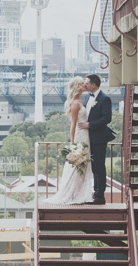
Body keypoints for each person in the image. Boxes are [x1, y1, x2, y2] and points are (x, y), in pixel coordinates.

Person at [46, 76, 94, 205]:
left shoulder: (79, 101)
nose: (85, 84)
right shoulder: (75, 103)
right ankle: (72, 194)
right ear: (78, 87)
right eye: (82, 83)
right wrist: (72, 143)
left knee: (83, 166)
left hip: (85, 135)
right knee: (78, 166)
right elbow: (73, 125)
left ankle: (78, 193)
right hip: (80, 136)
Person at [77, 73, 114, 205]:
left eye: (86, 83)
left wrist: (90, 125)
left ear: (93, 85)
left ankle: (100, 196)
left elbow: (107, 118)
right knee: (93, 167)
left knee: (99, 167)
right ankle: (95, 193)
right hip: (88, 138)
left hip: (99, 138)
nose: (84, 84)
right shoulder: (87, 96)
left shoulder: (105, 99)